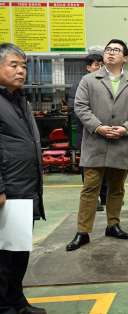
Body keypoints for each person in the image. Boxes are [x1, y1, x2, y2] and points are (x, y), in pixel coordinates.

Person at [66, 39, 128, 251]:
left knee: (116, 188)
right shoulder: (88, 80)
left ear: (125, 58)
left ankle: (113, 225)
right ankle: (83, 232)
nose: (111, 53)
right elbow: (80, 107)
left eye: (116, 50)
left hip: (122, 143)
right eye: (108, 50)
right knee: (90, 188)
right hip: (95, 142)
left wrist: (125, 128)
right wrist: (99, 127)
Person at [0, 43, 46, 314]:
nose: (21, 71)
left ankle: (16, 301)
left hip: (24, 189)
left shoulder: (18, 99)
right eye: (13, 65)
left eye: (24, 66)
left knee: (19, 250)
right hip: (8, 191)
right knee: (3, 255)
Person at [68, 53, 107, 212]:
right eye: (97, 65)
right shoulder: (79, 86)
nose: (100, 68)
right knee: (90, 168)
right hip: (87, 134)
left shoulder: (108, 84)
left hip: (106, 133)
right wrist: (94, 124)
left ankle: (105, 195)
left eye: (102, 65)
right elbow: (73, 110)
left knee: (106, 165)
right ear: (88, 67)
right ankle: (93, 199)